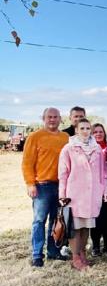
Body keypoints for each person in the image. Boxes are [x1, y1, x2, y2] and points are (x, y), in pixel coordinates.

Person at [58, 118, 107, 270]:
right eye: (83, 128)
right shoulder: (69, 148)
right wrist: (62, 194)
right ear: (77, 130)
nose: (86, 131)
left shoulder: (97, 149)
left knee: (86, 227)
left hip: (92, 194)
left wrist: (104, 189)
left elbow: (103, 172)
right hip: (74, 194)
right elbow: (63, 173)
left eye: (88, 128)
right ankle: (75, 257)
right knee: (75, 227)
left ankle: (82, 253)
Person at [22, 107, 70, 267]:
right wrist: (30, 183)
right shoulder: (35, 137)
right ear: (43, 118)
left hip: (61, 185)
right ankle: (37, 255)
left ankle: (53, 252)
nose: (52, 119)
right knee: (39, 220)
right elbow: (27, 162)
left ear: (60, 119)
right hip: (41, 185)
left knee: (56, 220)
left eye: (55, 117)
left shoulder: (65, 137)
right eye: (49, 117)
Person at [90, 123, 107, 256]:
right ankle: (95, 246)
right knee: (97, 218)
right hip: (94, 186)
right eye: (95, 132)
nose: (98, 134)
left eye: (100, 132)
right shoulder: (89, 148)